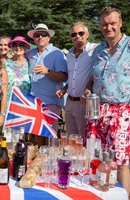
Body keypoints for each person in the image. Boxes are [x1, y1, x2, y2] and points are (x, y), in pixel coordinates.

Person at [84, 7, 130, 195]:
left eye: (112, 23)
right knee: (94, 157)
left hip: (121, 112)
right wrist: (87, 88)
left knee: (120, 161)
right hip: (96, 111)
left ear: (120, 23)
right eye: (104, 24)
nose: (108, 27)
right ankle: (97, 195)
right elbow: (93, 78)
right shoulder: (97, 50)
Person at [26, 23, 68, 146]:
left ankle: (49, 164)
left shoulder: (57, 53)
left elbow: (65, 76)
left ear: (49, 37)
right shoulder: (30, 54)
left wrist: (47, 71)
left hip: (51, 102)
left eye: (43, 34)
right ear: (33, 38)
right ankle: (37, 164)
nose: (40, 37)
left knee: (50, 138)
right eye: (37, 35)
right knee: (37, 137)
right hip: (33, 102)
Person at [56, 22, 97, 137]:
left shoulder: (95, 50)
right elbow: (72, 78)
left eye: (81, 33)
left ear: (87, 34)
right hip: (69, 103)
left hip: (84, 103)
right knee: (71, 141)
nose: (77, 36)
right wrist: (64, 89)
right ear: (70, 37)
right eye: (74, 34)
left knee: (84, 141)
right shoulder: (69, 54)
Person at [3, 36, 31, 141]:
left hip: (25, 107)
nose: (18, 47)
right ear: (11, 47)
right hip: (9, 106)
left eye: (21, 45)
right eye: (15, 45)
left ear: (26, 47)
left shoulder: (30, 63)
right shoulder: (5, 63)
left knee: (21, 139)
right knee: (7, 137)